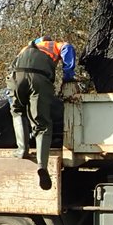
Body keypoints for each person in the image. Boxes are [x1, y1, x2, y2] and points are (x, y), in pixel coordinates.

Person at [7, 35, 76, 190]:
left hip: (16, 76)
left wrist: (11, 96)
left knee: (17, 111)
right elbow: (68, 49)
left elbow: (13, 66)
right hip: (39, 79)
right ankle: (42, 166)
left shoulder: (26, 48)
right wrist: (68, 77)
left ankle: (22, 150)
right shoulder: (56, 45)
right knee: (42, 124)